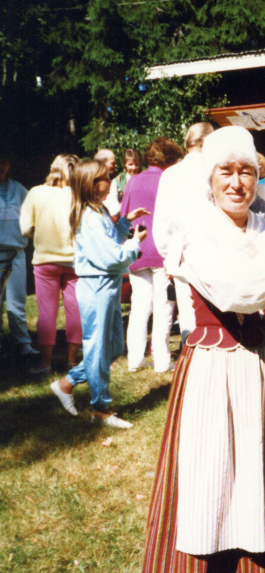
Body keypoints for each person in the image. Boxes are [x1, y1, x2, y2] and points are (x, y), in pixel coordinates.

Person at [135, 127, 265, 573]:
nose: (237, 182)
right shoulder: (193, 234)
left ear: (258, 177)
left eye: (247, 171)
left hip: (259, 369)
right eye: (226, 172)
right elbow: (238, 292)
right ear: (209, 179)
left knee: (252, 483)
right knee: (202, 485)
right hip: (211, 368)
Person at [50, 160, 148, 428]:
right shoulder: (90, 217)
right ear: (91, 185)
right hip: (96, 286)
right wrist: (134, 244)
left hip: (108, 286)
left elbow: (110, 239)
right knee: (97, 347)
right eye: (106, 178)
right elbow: (113, 256)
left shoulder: (100, 210)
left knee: (113, 346)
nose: (111, 181)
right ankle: (100, 409)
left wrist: (126, 221)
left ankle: (66, 383)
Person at [120, 136, 184, 373]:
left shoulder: (133, 181)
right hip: (162, 250)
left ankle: (135, 359)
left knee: (139, 306)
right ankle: (162, 360)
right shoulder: (170, 180)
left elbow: (125, 214)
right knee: (164, 305)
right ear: (168, 159)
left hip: (138, 249)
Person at [19, 154, 82, 376]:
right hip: (75, 262)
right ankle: (72, 362)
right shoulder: (80, 194)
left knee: (47, 313)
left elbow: (26, 228)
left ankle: (45, 363)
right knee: (75, 310)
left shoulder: (36, 192)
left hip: (45, 261)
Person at [153, 122, 215, 341]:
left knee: (189, 321)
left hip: (180, 255)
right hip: (213, 250)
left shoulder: (170, 174)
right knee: (215, 320)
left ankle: (190, 366)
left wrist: (168, 256)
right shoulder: (214, 170)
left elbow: (161, 221)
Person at [0, 153, 37, 359]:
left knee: (17, 299)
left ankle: (22, 342)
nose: (1, 166)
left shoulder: (19, 189)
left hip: (16, 252)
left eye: (4, 161)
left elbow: (34, 214)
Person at [94, 149, 121, 217]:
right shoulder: (93, 182)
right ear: (102, 163)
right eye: (113, 163)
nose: (116, 166)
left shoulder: (115, 179)